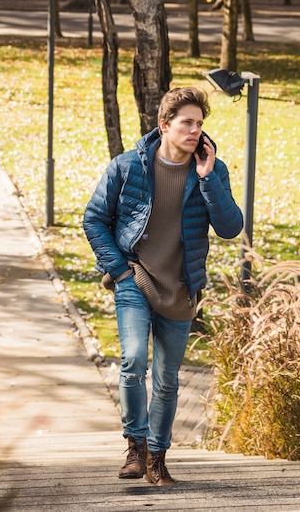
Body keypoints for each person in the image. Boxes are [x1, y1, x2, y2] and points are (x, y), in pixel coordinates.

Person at [83, 86, 243, 486]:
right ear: (164, 125)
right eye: (187, 123)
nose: (194, 131)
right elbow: (94, 219)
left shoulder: (211, 170)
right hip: (135, 279)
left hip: (181, 287)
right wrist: (119, 271)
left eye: (199, 124)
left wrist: (207, 180)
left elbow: (230, 228)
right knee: (134, 361)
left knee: (168, 380)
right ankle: (135, 448)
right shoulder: (127, 166)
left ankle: (158, 458)